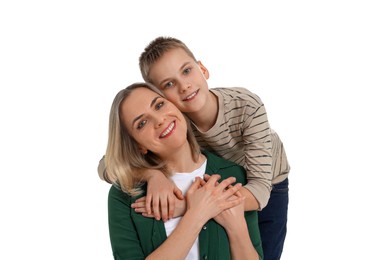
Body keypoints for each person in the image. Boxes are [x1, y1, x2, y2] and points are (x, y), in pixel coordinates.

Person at [99, 36, 290, 260]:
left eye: (187, 71)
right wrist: (152, 176)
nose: (184, 86)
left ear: (203, 69)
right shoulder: (178, 120)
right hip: (218, 175)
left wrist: (191, 208)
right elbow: (111, 163)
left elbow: (259, 190)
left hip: (267, 181)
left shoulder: (246, 106)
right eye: (169, 84)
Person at [105, 82, 263, 259]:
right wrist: (197, 213)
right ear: (138, 146)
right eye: (142, 123)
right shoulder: (124, 196)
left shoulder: (232, 174)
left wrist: (237, 229)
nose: (159, 120)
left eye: (159, 105)